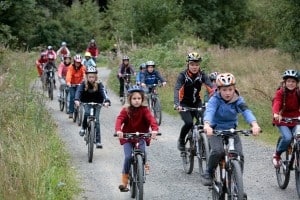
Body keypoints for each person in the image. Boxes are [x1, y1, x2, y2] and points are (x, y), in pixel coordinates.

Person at [201, 72, 261, 187]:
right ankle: (209, 172)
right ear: (218, 90)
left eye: (230, 89)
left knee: (239, 155)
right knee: (217, 151)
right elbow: (210, 111)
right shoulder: (215, 99)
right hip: (215, 130)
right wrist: (207, 125)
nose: (227, 93)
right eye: (224, 90)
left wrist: (254, 124)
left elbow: (246, 111)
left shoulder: (238, 100)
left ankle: (237, 179)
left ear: (234, 89)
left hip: (231, 130)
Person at [115, 85, 158, 192]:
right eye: (134, 98)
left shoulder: (145, 110)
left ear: (142, 99)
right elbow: (119, 119)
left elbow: (151, 120)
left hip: (141, 136)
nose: (137, 101)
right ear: (130, 99)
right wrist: (119, 130)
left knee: (142, 152)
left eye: (139, 98)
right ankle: (125, 182)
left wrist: (154, 130)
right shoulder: (126, 110)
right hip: (128, 137)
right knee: (128, 157)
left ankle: (144, 164)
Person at [174, 52, 214, 151]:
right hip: (184, 104)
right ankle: (182, 140)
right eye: (192, 64)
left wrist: (217, 100)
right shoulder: (183, 75)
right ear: (188, 64)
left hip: (197, 102)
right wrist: (177, 103)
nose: (194, 67)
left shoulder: (202, 74)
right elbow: (177, 89)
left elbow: (211, 88)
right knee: (188, 123)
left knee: (205, 121)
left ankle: (201, 140)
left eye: (196, 64)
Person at [74, 66, 110, 148]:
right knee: (86, 113)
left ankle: (98, 141)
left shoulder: (99, 84)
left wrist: (107, 101)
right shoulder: (83, 83)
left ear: (96, 77)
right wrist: (76, 99)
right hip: (86, 102)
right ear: (87, 77)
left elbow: (103, 92)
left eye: (93, 77)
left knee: (96, 121)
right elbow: (78, 92)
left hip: (98, 103)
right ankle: (83, 128)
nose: (91, 79)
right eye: (90, 77)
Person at [272, 69, 300, 168]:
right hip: (282, 119)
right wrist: (275, 113)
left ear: (296, 83)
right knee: (287, 138)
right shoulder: (280, 92)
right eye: (288, 81)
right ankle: (277, 155)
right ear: (285, 82)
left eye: (293, 81)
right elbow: (277, 103)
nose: (290, 83)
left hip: (296, 119)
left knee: (299, 137)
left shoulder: (298, 92)